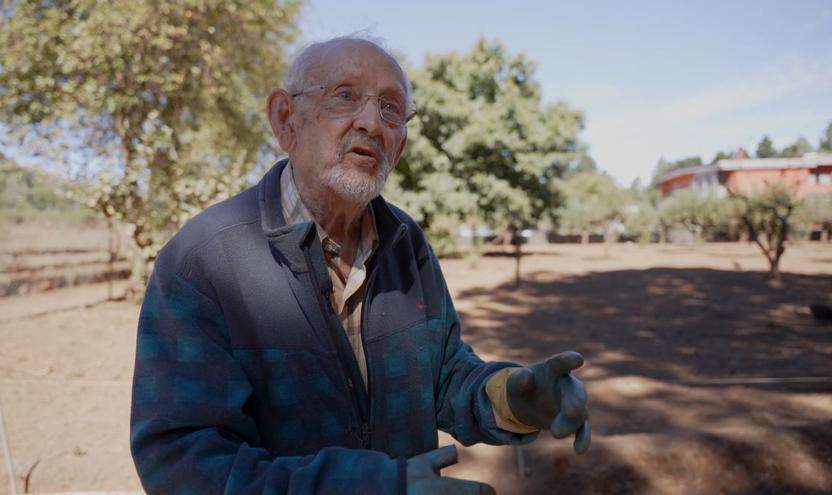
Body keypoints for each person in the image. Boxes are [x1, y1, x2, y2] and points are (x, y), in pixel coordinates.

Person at [130, 36, 590, 495]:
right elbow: (181, 465)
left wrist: (510, 396)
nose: (371, 122)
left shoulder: (405, 243)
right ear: (285, 120)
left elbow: (444, 375)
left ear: (400, 146)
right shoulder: (203, 260)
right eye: (345, 96)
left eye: (391, 108)